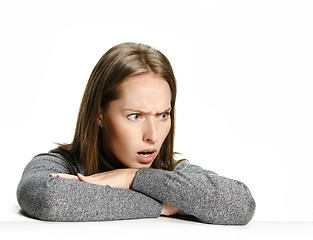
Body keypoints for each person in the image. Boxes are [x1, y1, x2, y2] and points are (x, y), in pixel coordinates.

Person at [16, 42, 255, 225]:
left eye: (163, 115)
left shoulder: (171, 173)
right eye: (135, 116)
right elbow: (51, 199)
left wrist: (132, 178)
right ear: (99, 114)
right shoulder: (59, 165)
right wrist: (161, 205)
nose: (153, 135)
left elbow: (241, 204)